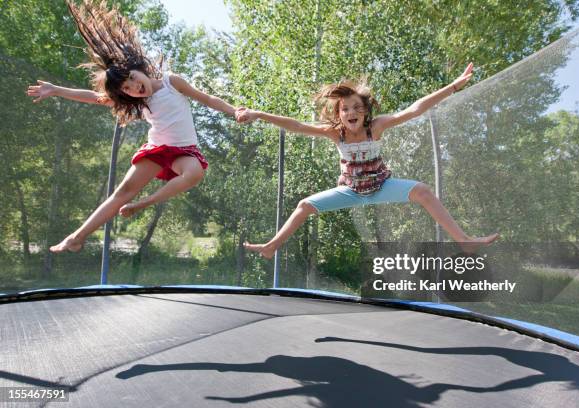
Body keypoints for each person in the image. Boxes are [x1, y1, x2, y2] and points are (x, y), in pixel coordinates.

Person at [27, 0, 248, 253]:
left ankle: (144, 203)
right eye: (127, 89)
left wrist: (234, 111)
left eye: (133, 78)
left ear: (139, 68)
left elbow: (207, 99)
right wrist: (56, 90)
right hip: (157, 150)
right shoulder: (138, 102)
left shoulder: (171, 82)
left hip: (184, 151)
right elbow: (93, 96)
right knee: (122, 192)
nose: (134, 87)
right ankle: (76, 237)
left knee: (195, 174)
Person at [236, 63, 498, 259]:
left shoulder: (377, 126)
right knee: (304, 205)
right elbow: (295, 124)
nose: (351, 113)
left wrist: (453, 86)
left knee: (423, 191)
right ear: (339, 114)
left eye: (356, 108)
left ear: (365, 112)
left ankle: (463, 240)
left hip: (382, 186)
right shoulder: (334, 132)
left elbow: (415, 108)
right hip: (350, 191)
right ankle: (272, 245)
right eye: (345, 109)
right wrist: (258, 114)